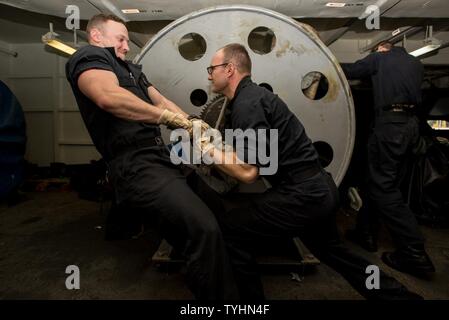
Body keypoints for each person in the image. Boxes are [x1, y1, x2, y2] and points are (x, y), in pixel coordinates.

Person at [193, 42, 422, 300]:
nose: (210, 74)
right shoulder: (253, 98)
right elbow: (252, 155)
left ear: (230, 69)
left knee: (230, 229)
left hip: (303, 195)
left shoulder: (248, 103)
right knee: (336, 254)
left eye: (212, 68)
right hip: (318, 189)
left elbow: (248, 172)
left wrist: (205, 150)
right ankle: (402, 297)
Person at [65, 14, 239, 300]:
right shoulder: (90, 57)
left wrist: (195, 124)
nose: (125, 46)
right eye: (120, 38)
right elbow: (108, 97)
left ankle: (225, 282)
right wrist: (170, 118)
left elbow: (161, 100)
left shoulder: (130, 69)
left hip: (160, 157)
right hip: (136, 165)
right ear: (97, 36)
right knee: (203, 229)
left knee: (219, 216)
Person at [341, 41, 435, 276]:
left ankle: (414, 252)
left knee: (384, 189)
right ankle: (366, 234)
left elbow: (349, 71)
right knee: (381, 183)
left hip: (390, 126)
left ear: (382, 48)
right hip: (411, 127)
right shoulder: (416, 63)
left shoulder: (380, 58)